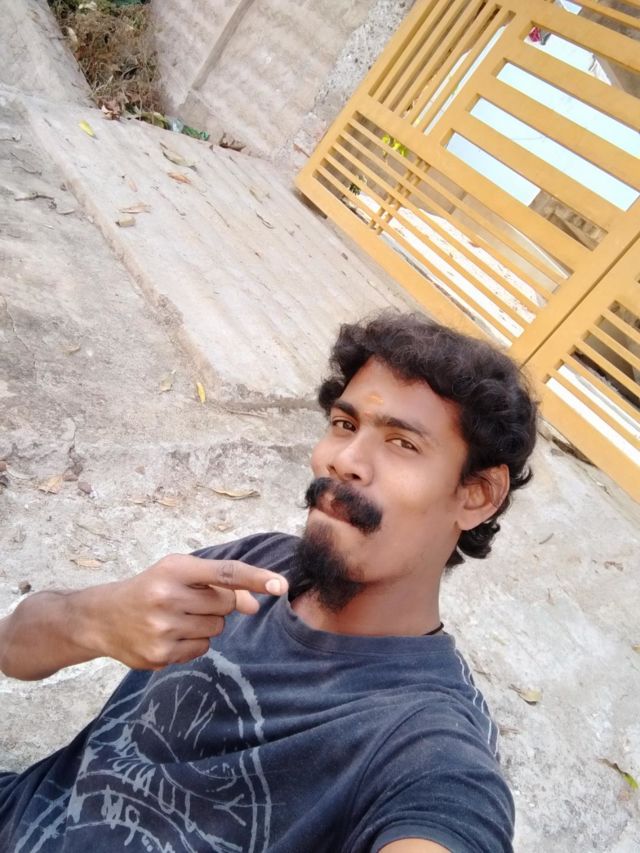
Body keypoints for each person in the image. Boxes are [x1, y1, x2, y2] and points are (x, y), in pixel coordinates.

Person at [0, 311, 537, 852]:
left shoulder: (429, 744)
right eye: (344, 424)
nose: (344, 460)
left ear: (477, 495)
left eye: (402, 443)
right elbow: (11, 648)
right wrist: (96, 618)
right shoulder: (252, 564)